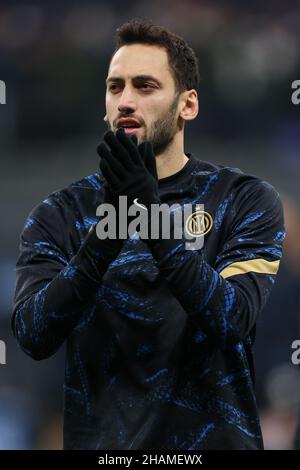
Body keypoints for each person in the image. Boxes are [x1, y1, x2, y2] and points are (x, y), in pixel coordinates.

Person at [12, 18, 285, 450]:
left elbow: (231, 321)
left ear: (187, 105)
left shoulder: (243, 200)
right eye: (115, 86)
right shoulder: (60, 214)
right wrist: (107, 233)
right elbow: (32, 333)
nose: (125, 101)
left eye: (145, 86)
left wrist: (151, 217)